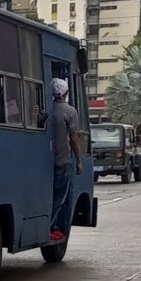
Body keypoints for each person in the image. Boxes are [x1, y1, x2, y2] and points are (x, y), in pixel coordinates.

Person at [50, 78, 83, 242]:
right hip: (62, 160)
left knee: (50, 193)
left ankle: (53, 225)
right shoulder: (70, 111)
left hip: (46, 160)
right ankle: (50, 225)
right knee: (60, 195)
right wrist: (79, 161)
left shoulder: (46, 110)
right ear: (66, 93)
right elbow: (74, 138)